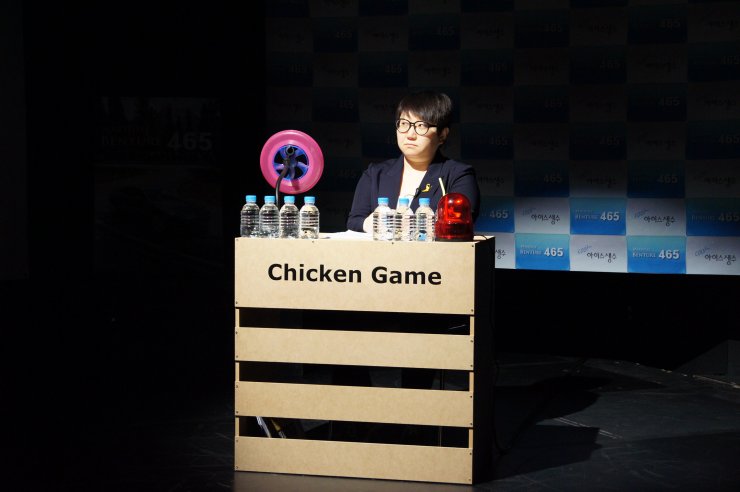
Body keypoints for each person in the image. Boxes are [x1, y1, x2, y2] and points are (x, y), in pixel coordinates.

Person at [346, 89, 480, 233]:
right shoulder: (375, 174)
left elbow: (459, 224)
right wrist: (368, 224)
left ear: (442, 135)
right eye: (404, 124)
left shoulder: (458, 175)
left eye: (421, 126)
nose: (410, 134)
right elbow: (355, 221)